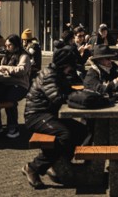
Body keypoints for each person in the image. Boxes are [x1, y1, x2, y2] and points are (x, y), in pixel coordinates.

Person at [22, 44, 89, 189]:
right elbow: (57, 97)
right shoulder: (50, 75)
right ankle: (34, 167)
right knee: (65, 134)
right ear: (64, 65)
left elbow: (67, 90)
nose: (72, 69)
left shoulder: (59, 74)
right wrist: (77, 97)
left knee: (82, 131)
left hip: (48, 113)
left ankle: (59, 163)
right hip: (36, 115)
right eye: (71, 66)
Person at [0, 34, 31, 139]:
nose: (7, 48)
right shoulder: (6, 55)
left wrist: (5, 68)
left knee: (10, 99)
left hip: (20, 85)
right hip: (6, 83)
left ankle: (13, 127)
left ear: (16, 45)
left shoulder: (24, 55)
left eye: (9, 45)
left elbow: (21, 70)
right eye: (6, 45)